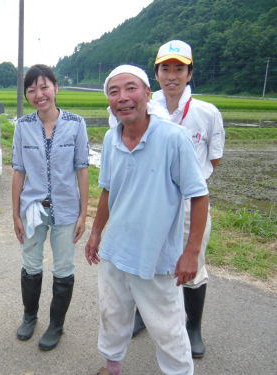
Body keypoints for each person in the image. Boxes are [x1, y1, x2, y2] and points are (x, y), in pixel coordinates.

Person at [85, 65, 209, 375]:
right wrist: (96, 233)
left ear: (146, 94)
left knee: (168, 328)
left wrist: (191, 251)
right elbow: (108, 191)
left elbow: (199, 195)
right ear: (109, 101)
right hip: (114, 252)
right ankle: (112, 367)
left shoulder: (173, 138)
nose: (123, 97)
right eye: (114, 92)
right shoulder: (112, 139)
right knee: (112, 315)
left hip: (154, 256)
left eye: (130, 89)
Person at [132, 40, 225, 359]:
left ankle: (192, 328)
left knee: (192, 266)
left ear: (190, 73)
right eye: (165, 68)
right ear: (156, 73)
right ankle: (141, 316)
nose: (172, 75)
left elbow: (213, 160)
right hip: (150, 203)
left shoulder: (207, 113)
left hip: (189, 205)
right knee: (145, 261)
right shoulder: (144, 109)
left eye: (179, 69)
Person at [12, 64, 89, 351]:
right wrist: (15, 215)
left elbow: (82, 169)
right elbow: (18, 172)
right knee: (30, 265)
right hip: (32, 208)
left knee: (64, 267)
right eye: (31, 90)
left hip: (67, 208)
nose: (38, 94)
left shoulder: (76, 123)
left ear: (56, 87)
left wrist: (83, 212)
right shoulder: (22, 126)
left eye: (43, 87)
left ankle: (56, 324)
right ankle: (29, 317)